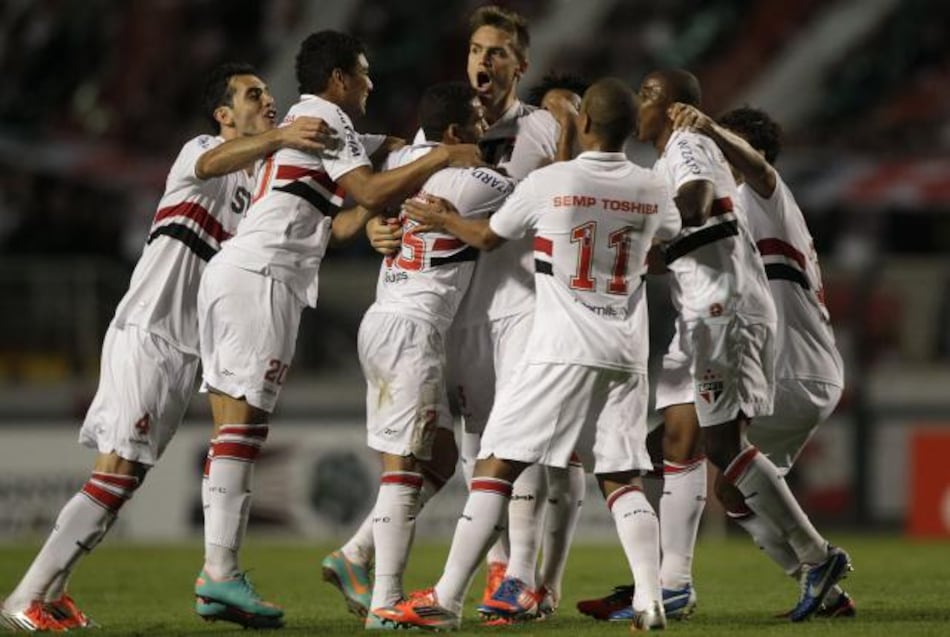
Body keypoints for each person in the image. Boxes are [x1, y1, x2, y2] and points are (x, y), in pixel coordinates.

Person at [0, 62, 336, 632]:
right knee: (117, 468)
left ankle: (51, 593)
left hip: (188, 349)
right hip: (150, 330)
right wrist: (279, 136)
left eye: (268, 93)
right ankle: (24, 597)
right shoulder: (202, 151)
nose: (269, 101)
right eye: (253, 95)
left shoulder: (262, 181)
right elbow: (211, 162)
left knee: (125, 476)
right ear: (224, 114)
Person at [192, 31, 482, 629]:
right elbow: (373, 187)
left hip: (241, 272)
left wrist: (390, 194)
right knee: (241, 433)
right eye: (365, 74)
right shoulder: (323, 115)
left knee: (236, 430)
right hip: (262, 276)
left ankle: (223, 575)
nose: (372, 85)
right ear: (341, 79)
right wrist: (443, 158)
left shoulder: (323, 124)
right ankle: (219, 574)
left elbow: (387, 159)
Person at [374, 78, 679, 632]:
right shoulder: (652, 186)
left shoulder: (552, 181)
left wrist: (444, 221)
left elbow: (488, 237)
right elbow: (665, 249)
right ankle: (650, 600)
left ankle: (444, 598)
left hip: (561, 347)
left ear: (583, 123)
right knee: (622, 478)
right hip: (627, 352)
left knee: (495, 465)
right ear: (631, 130)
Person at [578, 69, 851, 624]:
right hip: (733, 330)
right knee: (700, 469)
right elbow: (681, 236)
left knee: (700, 447)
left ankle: (798, 563)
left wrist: (705, 138)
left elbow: (704, 202)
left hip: (778, 354)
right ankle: (682, 580)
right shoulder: (697, 174)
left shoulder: (753, 189)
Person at [357, 7, 587, 620]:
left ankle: (515, 576)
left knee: (518, 439)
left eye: (498, 52)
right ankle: (475, 576)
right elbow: (394, 201)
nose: (485, 60)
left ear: (520, 64)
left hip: (517, 303)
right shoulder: (448, 138)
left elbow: (549, 200)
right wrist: (380, 227)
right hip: (452, 314)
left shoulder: (540, 126)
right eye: (477, 50)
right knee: (470, 453)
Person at [667, 103, 854, 617]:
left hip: (790, 367)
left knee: (689, 441)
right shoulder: (734, 206)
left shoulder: (765, 196)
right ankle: (825, 591)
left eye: (721, 144)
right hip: (802, 369)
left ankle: (814, 560)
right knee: (730, 489)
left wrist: (709, 130)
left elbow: (759, 170)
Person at [343, 81, 514, 629]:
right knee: (402, 471)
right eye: (478, 124)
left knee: (430, 459)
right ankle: (384, 602)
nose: (488, 132)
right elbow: (518, 212)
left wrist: (372, 221)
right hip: (415, 329)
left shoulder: (401, 162)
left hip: (382, 318)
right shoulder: (479, 180)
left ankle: (356, 556)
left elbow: (372, 160)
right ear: (456, 133)